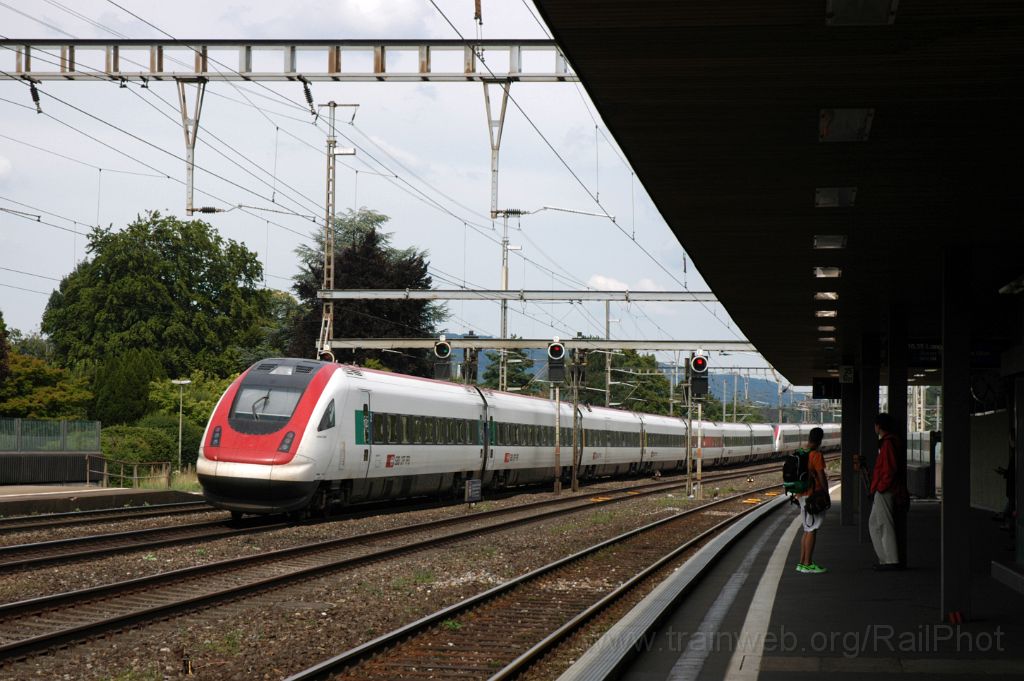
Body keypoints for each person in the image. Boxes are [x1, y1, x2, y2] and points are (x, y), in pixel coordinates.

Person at [870, 413, 901, 570]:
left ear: (879, 426)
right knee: (874, 524)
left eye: (875, 425)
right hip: (881, 489)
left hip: (884, 490)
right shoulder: (887, 442)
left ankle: (891, 561)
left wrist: (881, 487)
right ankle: (884, 559)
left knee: (885, 524)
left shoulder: (888, 444)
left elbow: (889, 469)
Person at [796, 427, 829, 574]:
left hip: (801, 495)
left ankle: (802, 563)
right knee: (812, 529)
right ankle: (807, 564)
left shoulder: (800, 452)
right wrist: (825, 492)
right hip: (812, 496)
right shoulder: (816, 455)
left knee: (807, 529)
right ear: (820, 440)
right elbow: (821, 475)